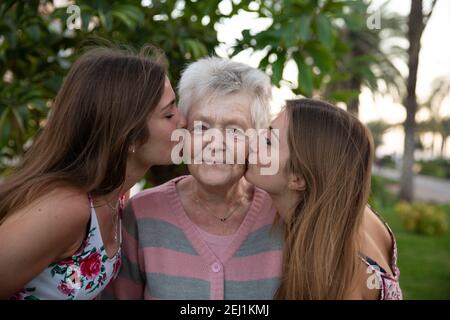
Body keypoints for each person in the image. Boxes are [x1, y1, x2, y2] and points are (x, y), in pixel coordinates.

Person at [0, 46, 186, 299]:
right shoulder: (65, 208)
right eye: (169, 113)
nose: (183, 120)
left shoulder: (117, 195)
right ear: (128, 135)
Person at [107, 57, 283, 299]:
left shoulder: (281, 216)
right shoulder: (141, 213)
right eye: (201, 127)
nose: (215, 142)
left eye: (234, 131)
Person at [245, 98, 402, 300]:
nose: (252, 141)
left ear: (298, 178)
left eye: (268, 142)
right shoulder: (349, 211)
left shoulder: (333, 276)